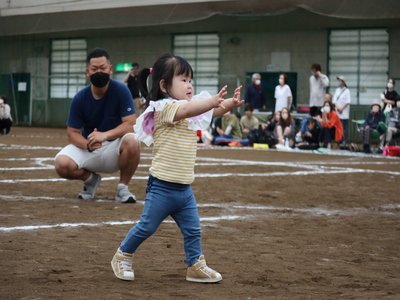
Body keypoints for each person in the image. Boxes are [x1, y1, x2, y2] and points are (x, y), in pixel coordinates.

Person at [111, 53, 244, 283]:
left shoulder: (189, 110)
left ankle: (195, 265)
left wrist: (230, 103)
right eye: (183, 80)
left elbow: (209, 112)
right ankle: (122, 255)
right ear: (164, 85)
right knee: (146, 227)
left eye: (190, 80)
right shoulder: (164, 108)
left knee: (193, 230)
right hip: (162, 187)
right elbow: (191, 110)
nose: (189, 85)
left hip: (184, 190)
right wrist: (212, 101)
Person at [54, 48, 140, 203]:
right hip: (91, 147)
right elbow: (72, 132)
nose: (99, 72)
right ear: (87, 71)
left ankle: (123, 188)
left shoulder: (121, 91)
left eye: (103, 68)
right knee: (62, 164)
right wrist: (87, 144)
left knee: (133, 140)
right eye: (94, 69)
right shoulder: (80, 98)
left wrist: (105, 135)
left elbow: (131, 124)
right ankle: (90, 180)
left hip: (115, 148)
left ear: (110, 69)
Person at [332, 76, 351, 145]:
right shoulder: (337, 90)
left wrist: (342, 108)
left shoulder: (347, 91)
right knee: (338, 127)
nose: (339, 82)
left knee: (344, 127)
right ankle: (339, 139)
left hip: (344, 112)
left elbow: (347, 102)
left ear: (343, 82)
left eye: (340, 81)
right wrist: (338, 107)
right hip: (337, 112)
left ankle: (345, 140)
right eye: (339, 81)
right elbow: (334, 101)